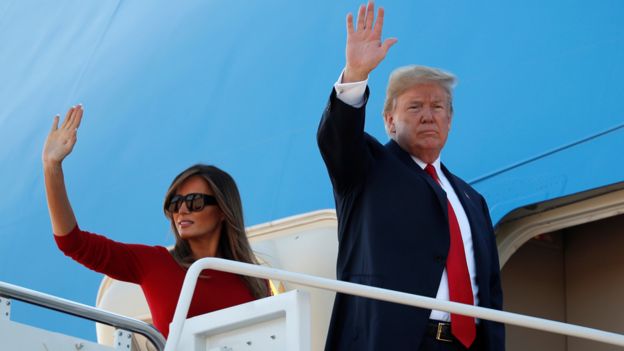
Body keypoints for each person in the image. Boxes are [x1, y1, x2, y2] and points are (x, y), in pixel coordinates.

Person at [317, 2, 504, 350]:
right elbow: (339, 138)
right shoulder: (367, 169)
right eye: (415, 107)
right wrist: (356, 73)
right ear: (389, 120)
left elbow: (488, 288)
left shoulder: (471, 200)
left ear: (450, 120)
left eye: (438, 107)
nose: (428, 116)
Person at [42, 105, 269, 338]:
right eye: (174, 203)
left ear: (223, 210)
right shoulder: (155, 264)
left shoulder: (255, 279)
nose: (181, 210)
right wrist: (51, 166)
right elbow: (72, 242)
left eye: (194, 201)